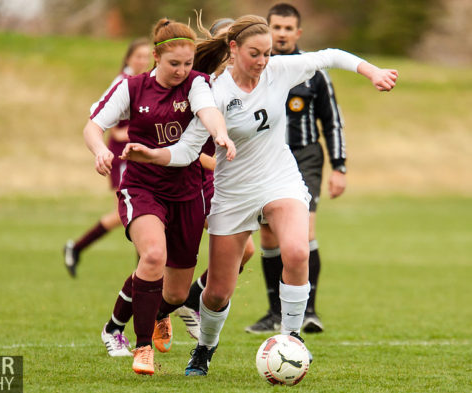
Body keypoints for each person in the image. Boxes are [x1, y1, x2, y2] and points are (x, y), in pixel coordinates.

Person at [121, 14, 397, 376]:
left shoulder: (279, 70)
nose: (263, 62)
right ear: (233, 49)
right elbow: (188, 150)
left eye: (267, 54)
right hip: (233, 193)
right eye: (255, 54)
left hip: (279, 180)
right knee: (217, 293)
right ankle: (204, 350)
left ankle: (292, 339)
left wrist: (372, 71)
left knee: (297, 252)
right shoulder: (212, 90)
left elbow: (330, 55)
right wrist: (152, 154)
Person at [83, 18, 234, 375]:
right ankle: (142, 348)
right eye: (174, 64)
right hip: (143, 187)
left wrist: (221, 133)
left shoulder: (198, 84)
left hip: (187, 193)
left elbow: (207, 111)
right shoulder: (133, 88)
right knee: (152, 255)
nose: (182, 70)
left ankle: (139, 321)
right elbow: (93, 125)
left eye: (187, 63)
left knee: (178, 294)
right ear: (155, 57)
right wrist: (99, 151)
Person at [246, 3, 347, 335]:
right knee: (268, 234)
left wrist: (340, 166)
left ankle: (309, 312)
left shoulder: (312, 71)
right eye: (277, 27)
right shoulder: (256, 70)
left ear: (298, 33)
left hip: (305, 157)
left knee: (304, 232)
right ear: (267, 29)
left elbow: (332, 123)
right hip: (265, 159)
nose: (283, 33)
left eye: (289, 28)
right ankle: (275, 312)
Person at [176, 16, 256, 341]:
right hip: (195, 176)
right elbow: (191, 148)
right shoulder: (201, 84)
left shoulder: (243, 85)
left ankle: (190, 300)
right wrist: (222, 162)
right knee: (173, 258)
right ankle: (164, 308)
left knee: (247, 251)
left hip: (223, 181)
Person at [63, 38, 151, 278]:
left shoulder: (148, 82)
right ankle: (143, 274)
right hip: (121, 156)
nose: (143, 60)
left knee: (133, 216)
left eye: (146, 56)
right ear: (128, 58)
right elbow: (101, 118)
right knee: (132, 215)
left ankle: (78, 248)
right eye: (138, 56)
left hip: (140, 157)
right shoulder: (122, 82)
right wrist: (125, 133)